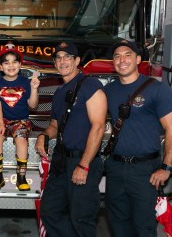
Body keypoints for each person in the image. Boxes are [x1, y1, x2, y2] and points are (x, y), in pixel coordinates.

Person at [104, 40, 172, 237]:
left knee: (143, 226)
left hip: (146, 170)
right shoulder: (108, 91)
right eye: (117, 56)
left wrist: (166, 168)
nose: (122, 60)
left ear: (138, 59)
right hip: (115, 168)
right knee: (117, 224)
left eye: (127, 55)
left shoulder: (157, 89)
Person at [35, 41, 107, 236]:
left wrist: (83, 165)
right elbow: (54, 126)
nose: (62, 61)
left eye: (68, 57)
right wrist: (43, 135)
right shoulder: (59, 93)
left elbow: (98, 126)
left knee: (81, 218)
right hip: (61, 162)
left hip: (83, 160)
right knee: (49, 211)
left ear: (76, 61)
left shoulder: (90, 85)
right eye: (58, 58)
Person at [0, 42, 40, 192]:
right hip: (2, 120)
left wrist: (34, 88)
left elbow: (33, 105)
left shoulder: (26, 82)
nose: (10, 65)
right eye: (6, 62)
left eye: (14, 62)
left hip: (21, 121)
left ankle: (21, 177)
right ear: (0, 67)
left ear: (20, 64)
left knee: (21, 141)